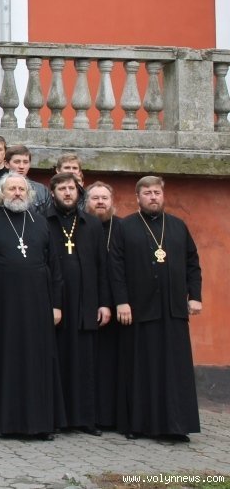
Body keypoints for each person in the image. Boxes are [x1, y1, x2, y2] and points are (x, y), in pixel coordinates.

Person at [0, 172, 64, 439]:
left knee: (36, 361)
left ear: (29, 194)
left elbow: (54, 266)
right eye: (11, 189)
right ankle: (0, 421)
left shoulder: (41, 223)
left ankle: (39, 423)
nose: (17, 193)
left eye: (21, 189)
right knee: (2, 359)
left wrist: (56, 305)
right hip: (0, 306)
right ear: (1, 194)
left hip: (37, 305)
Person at [112, 176, 201, 441]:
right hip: (140, 310)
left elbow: (192, 263)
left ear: (163, 195)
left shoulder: (178, 225)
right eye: (148, 193)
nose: (153, 197)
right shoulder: (125, 227)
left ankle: (176, 425)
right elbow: (115, 267)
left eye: (157, 193)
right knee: (143, 369)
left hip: (173, 310)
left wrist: (195, 296)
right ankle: (139, 425)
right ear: (138, 197)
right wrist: (121, 301)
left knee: (175, 370)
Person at [46, 172, 110, 435]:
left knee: (84, 361)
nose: (67, 193)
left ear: (78, 192)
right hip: (56, 302)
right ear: (53, 193)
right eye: (62, 189)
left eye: (71, 188)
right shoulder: (43, 221)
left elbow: (102, 267)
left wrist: (104, 303)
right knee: (57, 359)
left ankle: (85, 419)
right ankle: (56, 418)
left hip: (85, 301)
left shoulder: (91, 224)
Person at [85, 180, 120, 430]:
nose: (100, 202)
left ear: (112, 202)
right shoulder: (80, 227)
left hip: (118, 306)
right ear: (86, 202)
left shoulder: (123, 228)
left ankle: (112, 416)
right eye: (95, 198)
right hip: (88, 304)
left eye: (104, 198)